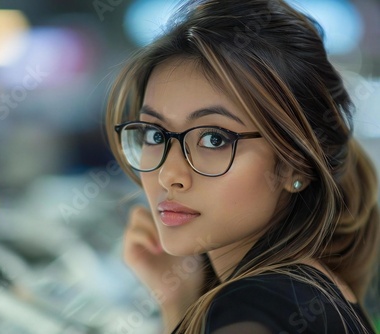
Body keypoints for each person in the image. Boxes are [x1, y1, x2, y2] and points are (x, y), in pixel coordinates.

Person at [104, 0, 380, 333]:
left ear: (298, 165)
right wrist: (177, 301)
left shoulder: (253, 306)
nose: (168, 175)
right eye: (154, 133)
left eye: (215, 139)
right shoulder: (304, 289)